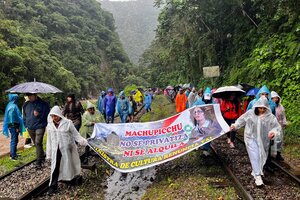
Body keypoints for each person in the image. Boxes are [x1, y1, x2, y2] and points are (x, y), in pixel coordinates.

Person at [230, 96, 281, 187]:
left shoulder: (270, 116)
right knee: (254, 155)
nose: (262, 110)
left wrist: (273, 132)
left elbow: (276, 127)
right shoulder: (250, 113)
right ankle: (257, 176)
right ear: (257, 107)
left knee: (261, 155)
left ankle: (258, 171)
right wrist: (235, 125)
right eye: (260, 108)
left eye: (263, 108)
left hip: (262, 140)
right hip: (250, 137)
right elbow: (241, 120)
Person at [46, 106, 88, 195]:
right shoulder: (50, 126)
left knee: (69, 163)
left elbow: (76, 135)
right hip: (55, 149)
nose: (54, 118)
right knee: (55, 167)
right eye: (52, 116)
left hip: (67, 148)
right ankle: (53, 186)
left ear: (59, 115)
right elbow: (49, 141)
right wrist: (48, 153)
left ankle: (71, 178)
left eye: (56, 116)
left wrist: (83, 141)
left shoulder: (67, 123)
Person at [23, 93, 50, 168]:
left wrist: (39, 114)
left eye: (30, 96)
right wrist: (25, 124)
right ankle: (42, 155)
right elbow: (24, 115)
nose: (29, 97)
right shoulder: (26, 104)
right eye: (28, 96)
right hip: (30, 127)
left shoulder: (43, 104)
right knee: (36, 143)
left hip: (40, 126)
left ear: (35, 95)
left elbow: (48, 115)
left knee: (38, 143)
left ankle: (38, 161)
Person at [192, 87, 218, 155]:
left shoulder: (213, 102)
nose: (207, 100)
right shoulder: (199, 101)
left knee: (208, 135)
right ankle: (197, 145)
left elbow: (216, 111)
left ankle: (205, 149)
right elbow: (192, 108)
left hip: (209, 122)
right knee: (199, 133)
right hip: (199, 121)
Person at [2, 94, 26, 160]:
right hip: (13, 126)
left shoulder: (9, 105)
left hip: (12, 126)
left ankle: (14, 153)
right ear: (14, 99)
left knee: (15, 140)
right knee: (14, 140)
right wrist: (16, 127)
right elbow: (13, 118)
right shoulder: (13, 107)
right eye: (16, 98)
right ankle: (12, 156)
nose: (17, 99)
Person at [271, 91, 287, 161]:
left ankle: (278, 154)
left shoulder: (281, 106)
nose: (275, 99)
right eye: (273, 98)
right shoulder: (270, 106)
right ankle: (271, 154)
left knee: (279, 140)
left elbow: (283, 116)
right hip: (272, 125)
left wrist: (284, 123)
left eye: (276, 98)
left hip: (279, 125)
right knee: (272, 140)